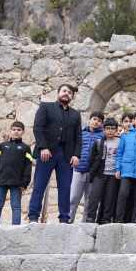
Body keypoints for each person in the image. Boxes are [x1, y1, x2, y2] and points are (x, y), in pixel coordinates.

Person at [28, 83, 82, 224]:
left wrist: (76, 155)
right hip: (48, 153)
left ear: (72, 97)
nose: (66, 94)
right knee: (39, 185)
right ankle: (33, 216)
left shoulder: (75, 115)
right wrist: (43, 147)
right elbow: (38, 128)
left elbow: (78, 137)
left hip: (66, 156)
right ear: (58, 93)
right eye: (64, 91)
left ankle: (64, 218)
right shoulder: (46, 107)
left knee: (65, 187)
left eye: (69, 93)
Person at [0, 121, 32, 225]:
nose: (16, 132)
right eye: (14, 130)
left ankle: (16, 228)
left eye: (19, 130)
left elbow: (28, 166)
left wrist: (25, 183)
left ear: (23, 132)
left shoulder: (25, 148)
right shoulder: (2, 146)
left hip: (17, 183)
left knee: (16, 206)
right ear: (10, 131)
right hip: (1, 181)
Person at [69, 111, 104, 222]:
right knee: (73, 198)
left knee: (89, 201)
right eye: (94, 119)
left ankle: (84, 224)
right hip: (78, 169)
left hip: (93, 173)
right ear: (89, 120)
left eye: (99, 121)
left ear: (102, 123)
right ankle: (68, 220)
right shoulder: (81, 133)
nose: (96, 122)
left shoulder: (103, 136)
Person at [84, 118, 120, 224]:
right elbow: (91, 159)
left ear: (116, 130)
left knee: (110, 198)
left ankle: (106, 219)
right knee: (94, 197)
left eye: (112, 129)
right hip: (100, 174)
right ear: (104, 129)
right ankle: (90, 218)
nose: (110, 131)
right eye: (107, 128)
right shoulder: (99, 142)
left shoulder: (121, 141)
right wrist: (92, 172)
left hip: (114, 175)